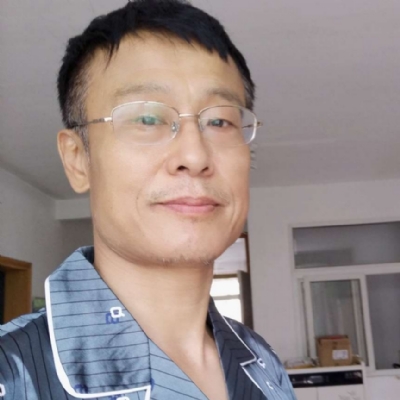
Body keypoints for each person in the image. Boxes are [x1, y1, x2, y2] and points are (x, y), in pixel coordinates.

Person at [0, 1, 296, 399]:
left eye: (219, 121)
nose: (195, 156)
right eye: (147, 119)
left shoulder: (263, 363)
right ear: (78, 159)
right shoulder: (11, 375)